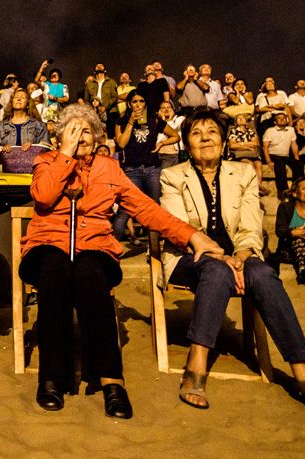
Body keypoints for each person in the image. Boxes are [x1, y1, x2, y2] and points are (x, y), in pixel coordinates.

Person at [20, 103, 225, 419]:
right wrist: (65, 155)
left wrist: (191, 236)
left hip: (93, 246)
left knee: (90, 274)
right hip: (47, 243)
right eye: (73, 130)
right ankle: (52, 377)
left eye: (86, 129)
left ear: (98, 135)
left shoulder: (109, 168)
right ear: (60, 136)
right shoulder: (46, 161)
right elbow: (45, 196)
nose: (80, 135)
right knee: (54, 272)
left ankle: (111, 380)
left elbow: (147, 209)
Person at [159, 109, 305, 415]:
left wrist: (243, 254)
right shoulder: (173, 175)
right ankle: (197, 364)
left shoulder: (243, 173)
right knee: (216, 270)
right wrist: (224, 257)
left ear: (224, 140)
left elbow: (251, 225)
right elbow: (181, 227)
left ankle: (302, 373)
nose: (205, 139)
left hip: (239, 256)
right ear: (186, 145)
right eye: (196, 134)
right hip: (190, 256)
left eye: (212, 132)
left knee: (264, 274)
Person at [112, 91, 181, 243]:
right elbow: (121, 143)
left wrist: (162, 143)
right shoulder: (121, 121)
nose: (138, 104)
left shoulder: (154, 120)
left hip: (152, 168)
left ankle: (154, 248)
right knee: (125, 209)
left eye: (141, 101)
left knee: (155, 208)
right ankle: (109, 251)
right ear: (129, 104)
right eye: (135, 101)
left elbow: (176, 136)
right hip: (132, 170)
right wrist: (130, 122)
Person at [0, 88, 50, 168]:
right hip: (7, 172)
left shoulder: (38, 125)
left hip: (31, 172)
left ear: (28, 104)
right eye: (16, 97)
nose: (19, 99)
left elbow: (45, 148)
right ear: (11, 102)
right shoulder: (1, 126)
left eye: (23, 97)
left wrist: (33, 148)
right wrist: (2, 150)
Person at [262, 112, 303, 199]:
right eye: (279, 118)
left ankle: (295, 188)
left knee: (299, 165)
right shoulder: (270, 131)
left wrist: (297, 158)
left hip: (285, 156)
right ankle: (284, 189)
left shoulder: (291, 130)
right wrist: (268, 161)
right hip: (272, 154)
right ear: (275, 122)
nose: (282, 119)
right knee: (280, 164)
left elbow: (294, 145)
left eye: (284, 118)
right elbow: (265, 147)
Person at [83, 63, 119, 133]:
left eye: (101, 66)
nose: (99, 66)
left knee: (109, 134)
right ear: (94, 71)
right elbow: (86, 99)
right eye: (97, 66)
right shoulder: (89, 84)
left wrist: (105, 107)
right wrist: (91, 110)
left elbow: (115, 97)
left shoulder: (111, 82)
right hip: (94, 112)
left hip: (110, 112)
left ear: (105, 70)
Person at [156, 100, 185, 169]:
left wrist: (168, 120)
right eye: (163, 108)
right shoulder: (156, 121)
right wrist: (162, 120)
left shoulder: (180, 119)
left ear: (173, 109)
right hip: (158, 154)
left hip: (172, 155)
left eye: (168, 107)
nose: (166, 110)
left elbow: (172, 130)